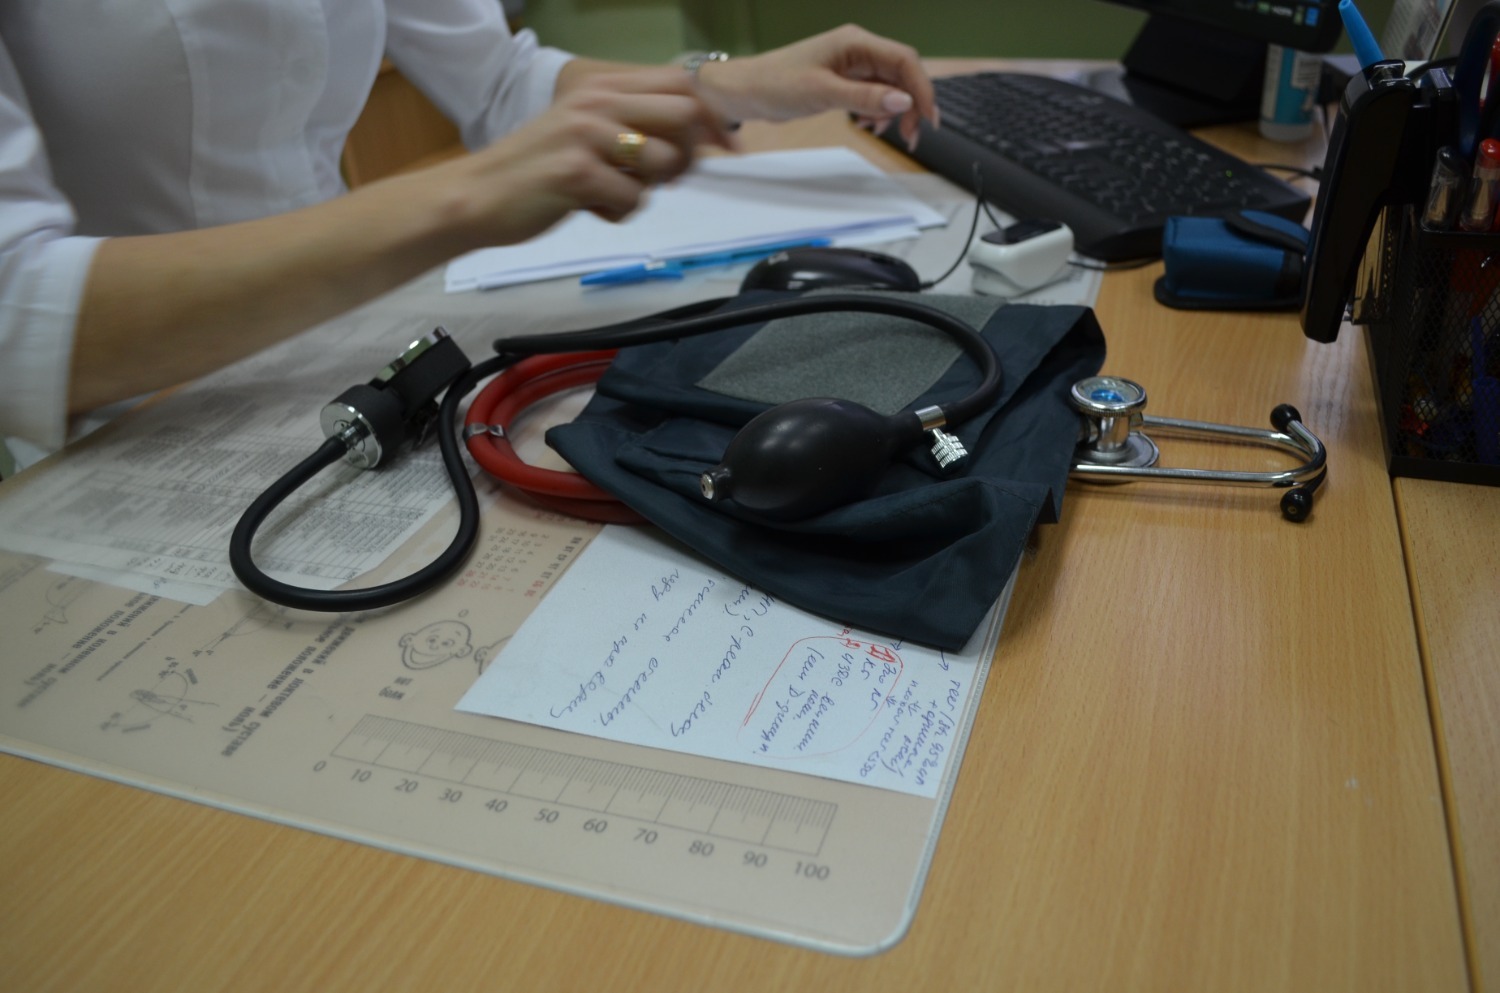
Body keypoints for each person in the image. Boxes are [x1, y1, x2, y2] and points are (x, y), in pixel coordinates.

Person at [0, 2, 938, 469]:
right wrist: (466, 199)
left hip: (349, 352)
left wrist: (724, 84)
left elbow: (497, 80)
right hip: (122, 424)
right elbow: (16, 316)